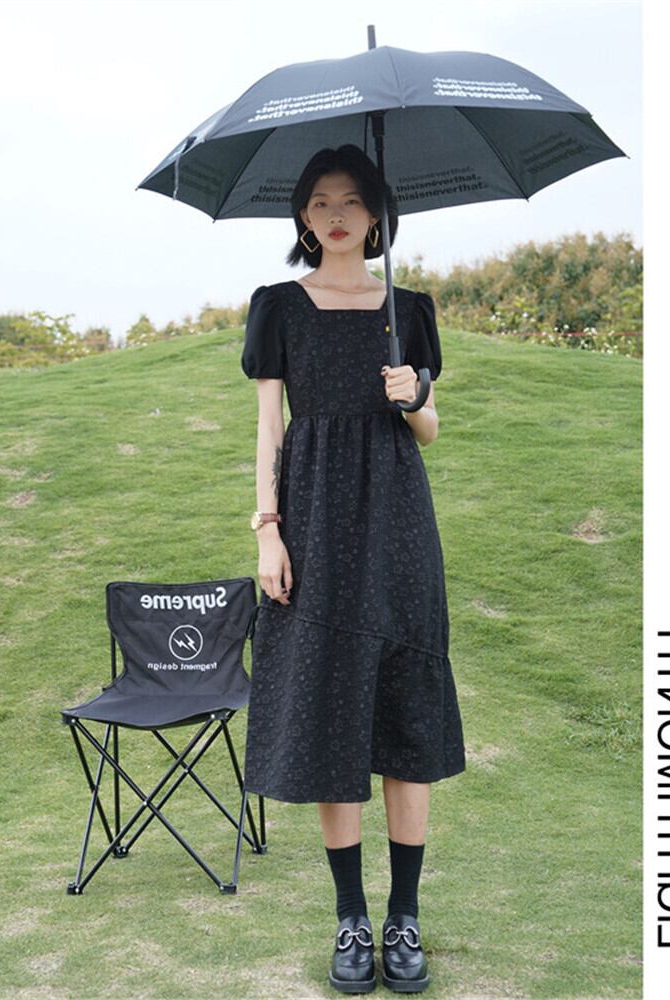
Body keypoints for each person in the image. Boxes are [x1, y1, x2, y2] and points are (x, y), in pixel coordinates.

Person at [240, 144, 466, 994]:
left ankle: (405, 917)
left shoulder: (409, 309)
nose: (335, 214)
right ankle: (350, 919)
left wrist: (416, 396)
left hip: (400, 523)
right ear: (304, 219)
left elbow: (429, 431)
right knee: (330, 711)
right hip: (313, 519)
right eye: (320, 202)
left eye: (351, 200)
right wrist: (268, 530)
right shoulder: (277, 306)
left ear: (377, 216)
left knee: (406, 714)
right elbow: (269, 428)